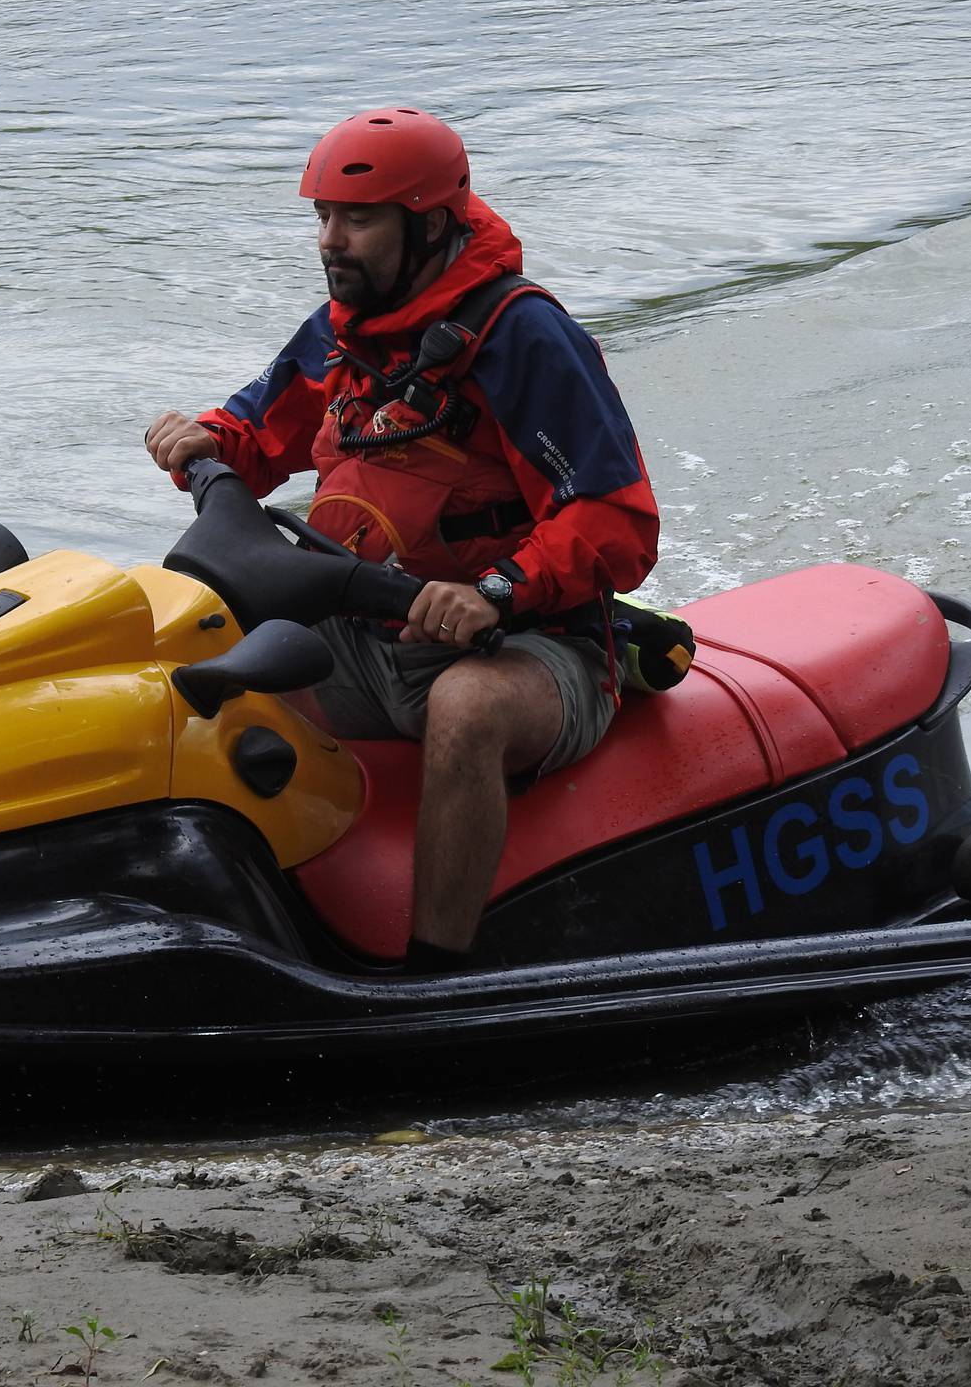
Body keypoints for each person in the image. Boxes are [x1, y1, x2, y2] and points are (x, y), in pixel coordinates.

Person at [145, 107, 659, 970]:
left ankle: (435, 972)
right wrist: (199, 443)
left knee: (466, 709)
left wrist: (495, 589)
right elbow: (252, 434)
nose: (330, 240)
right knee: (186, 659)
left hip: (528, 645)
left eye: (359, 218)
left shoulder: (523, 336)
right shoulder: (344, 329)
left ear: (427, 224)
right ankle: (235, 930)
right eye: (322, 217)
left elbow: (619, 523)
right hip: (364, 634)